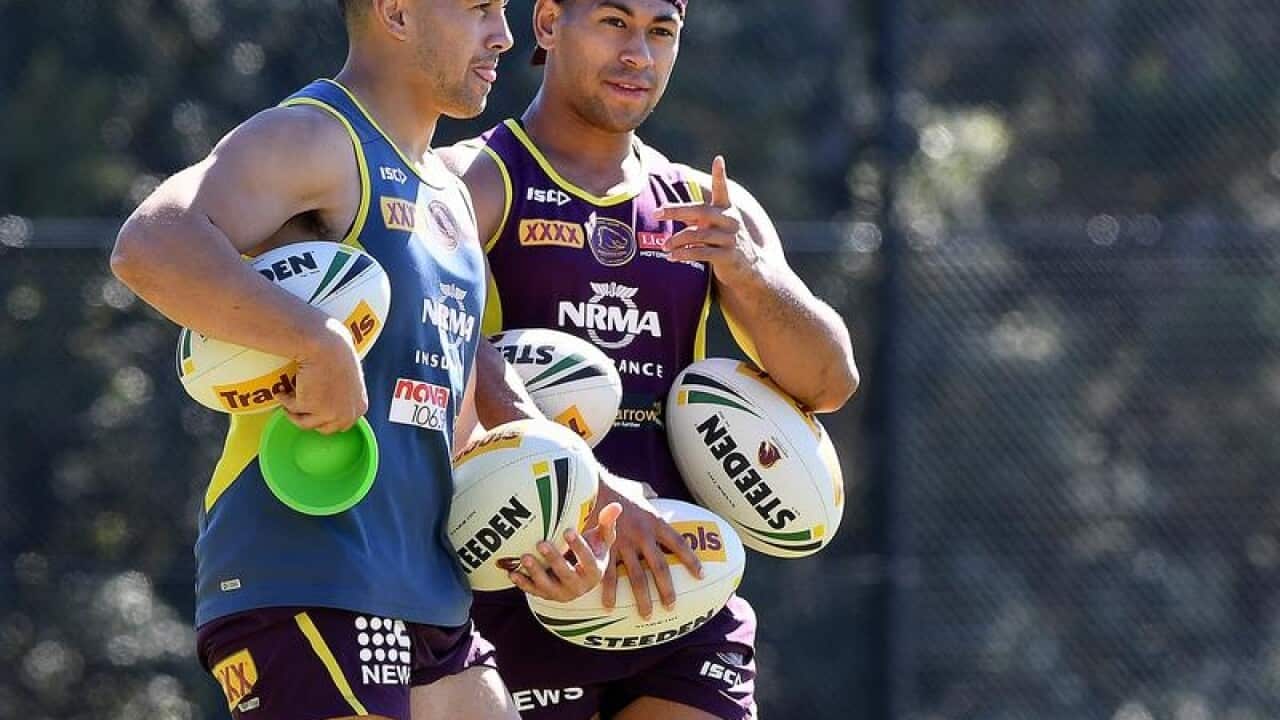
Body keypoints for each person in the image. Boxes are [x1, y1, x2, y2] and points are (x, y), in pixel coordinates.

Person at [110, 2, 621, 719]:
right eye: (479, 9)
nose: (503, 35)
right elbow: (150, 245)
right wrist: (315, 338)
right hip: (307, 583)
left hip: (433, 603)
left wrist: (540, 537)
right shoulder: (318, 135)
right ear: (397, 14)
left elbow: (454, 432)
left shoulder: (449, 196)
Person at [440, 1, 860, 718]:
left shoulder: (705, 206)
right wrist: (585, 488)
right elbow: (434, 338)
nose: (639, 52)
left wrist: (751, 274)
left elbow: (830, 382)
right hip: (528, 580)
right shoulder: (472, 179)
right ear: (547, 23)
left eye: (661, 30)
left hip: (679, 583)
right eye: (613, 22)